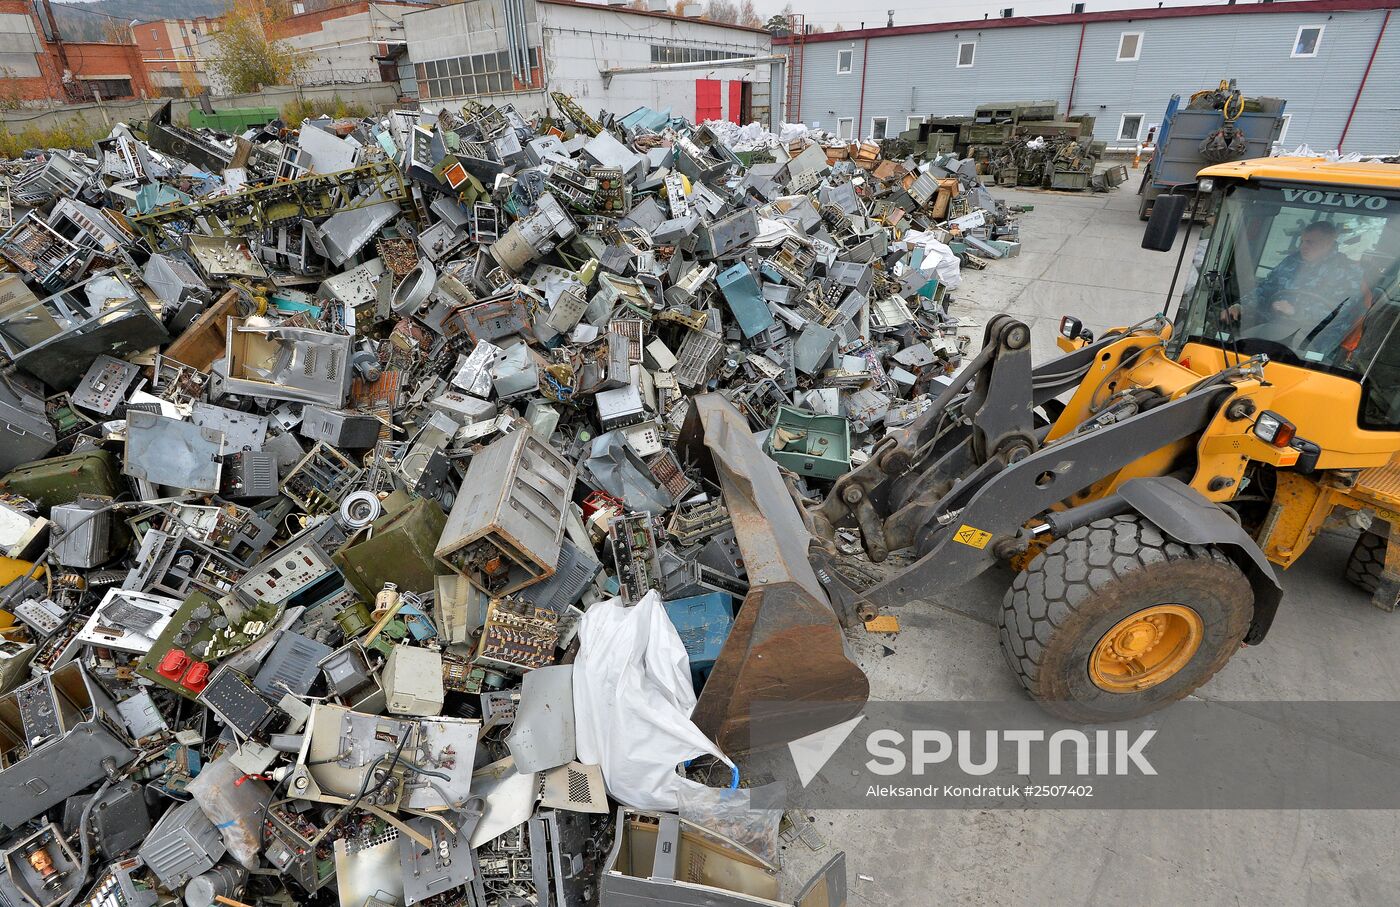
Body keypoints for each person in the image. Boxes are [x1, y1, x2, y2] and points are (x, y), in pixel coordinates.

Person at [1223, 220, 1367, 356]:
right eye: (1302, 241)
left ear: (1328, 243)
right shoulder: (1292, 261)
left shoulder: (1348, 271)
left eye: (1310, 242)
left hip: (1317, 337)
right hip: (1275, 326)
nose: (1303, 246)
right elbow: (1266, 287)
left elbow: (1341, 312)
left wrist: (1296, 310)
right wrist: (1240, 305)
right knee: (1231, 345)